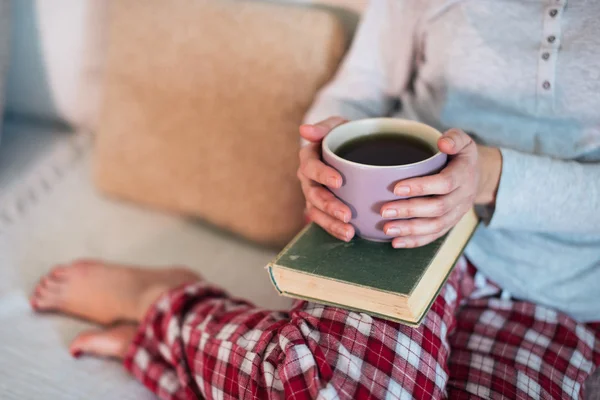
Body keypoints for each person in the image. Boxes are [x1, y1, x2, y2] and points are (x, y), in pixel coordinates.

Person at [30, 1, 600, 399]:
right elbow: (355, 91)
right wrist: (322, 152)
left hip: (551, 290)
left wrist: (492, 176)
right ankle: (164, 301)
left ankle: (180, 326)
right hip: (397, 238)